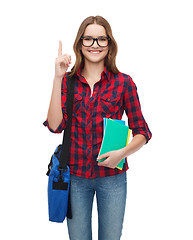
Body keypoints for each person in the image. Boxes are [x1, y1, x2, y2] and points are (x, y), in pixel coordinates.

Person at [43, 15, 152, 240]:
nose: (95, 45)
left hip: (112, 178)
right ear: (80, 44)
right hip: (75, 178)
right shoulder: (67, 82)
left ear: (109, 44)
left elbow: (142, 131)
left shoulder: (124, 82)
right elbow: (55, 126)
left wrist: (121, 154)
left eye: (101, 40)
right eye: (89, 39)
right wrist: (57, 78)